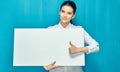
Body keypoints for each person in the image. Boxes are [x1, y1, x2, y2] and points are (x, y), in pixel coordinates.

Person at [43, 0, 99, 72]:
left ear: (73, 15)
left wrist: (78, 49)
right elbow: (42, 50)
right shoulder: (50, 30)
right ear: (59, 12)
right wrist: (44, 66)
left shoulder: (79, 30)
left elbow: (96, 46)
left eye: (69, 13)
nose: (65, 15)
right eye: (63, 11)